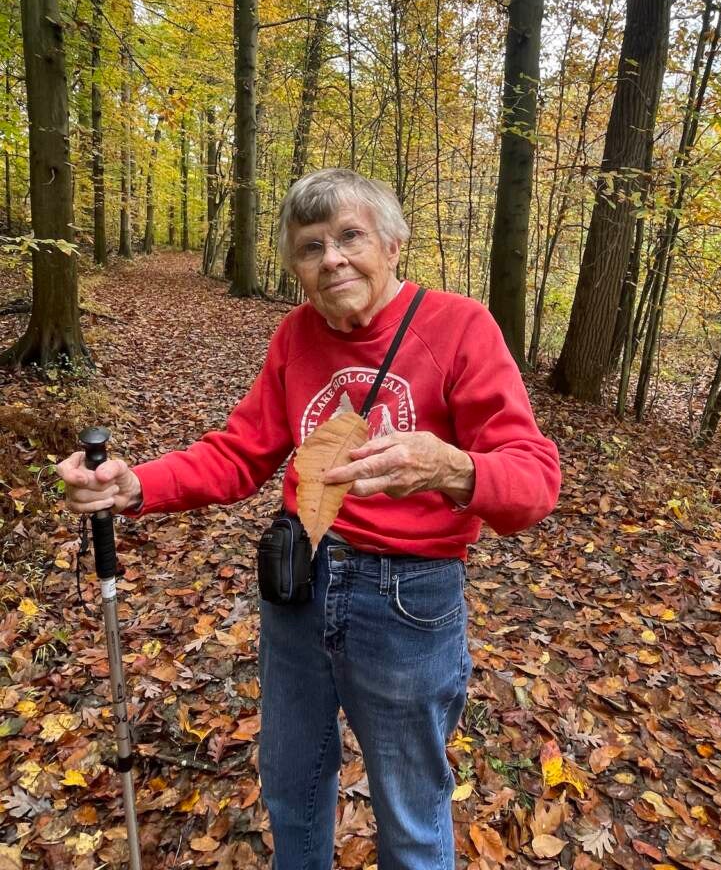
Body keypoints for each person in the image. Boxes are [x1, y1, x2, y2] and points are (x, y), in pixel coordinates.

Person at [58, 168, 560, 870]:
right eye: (310, 247)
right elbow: (239, 453)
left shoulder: (459, 327)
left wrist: (452, 467)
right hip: (299, 581)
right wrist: (135, 484)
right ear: (296, 268)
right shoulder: (297, 335)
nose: (331, 259)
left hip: (408, 600)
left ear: (393, 244)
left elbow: (535, 482)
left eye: (349, 236)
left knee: (410, 815)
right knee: (291, 785)